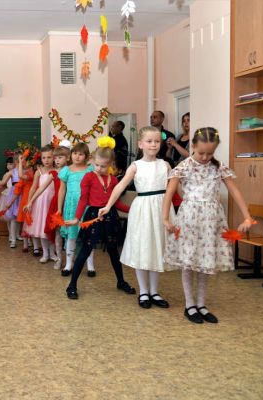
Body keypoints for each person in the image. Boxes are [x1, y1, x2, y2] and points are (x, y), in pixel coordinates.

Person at [163, 127, 254, 324]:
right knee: (189, 262)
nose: (205, 157)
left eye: (210, 153)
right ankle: (190, 305)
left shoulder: (218, 167)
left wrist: (247, 217)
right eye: (201, 153)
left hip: (212, 221)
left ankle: (201, 304)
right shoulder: (183, 166)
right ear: (193, 146)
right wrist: (165, 219)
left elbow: (235, 192)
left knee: (206, 262)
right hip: (189, 220)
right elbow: (169, 192)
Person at [99, 127, 176, 309]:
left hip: (162, 208)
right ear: (140, 144)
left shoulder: (165, 165)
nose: (153, 145)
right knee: (144, 248)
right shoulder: (135, 166)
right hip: (143, 210)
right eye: (149, 141)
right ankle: (143, 291)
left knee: (157, 249)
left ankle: (154, 292)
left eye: (157, 141)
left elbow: (176, 188)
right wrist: (108, 205)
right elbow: (119, 187)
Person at [64, 137, 135, 300]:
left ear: (110, 164)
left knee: (113, 251)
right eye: (96, 165)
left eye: (103, 166)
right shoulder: (88, 177)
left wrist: (133, 210)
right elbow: (83, 199)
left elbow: (115, 202)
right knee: (85, 250)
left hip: (110, 217)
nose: (99, 168)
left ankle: (121, 281)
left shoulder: (114, 179)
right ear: (93, 161)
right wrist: (76, 218)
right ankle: (72, 285)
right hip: (93, 217)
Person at [57, 142, 95, 276]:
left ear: (86, 157)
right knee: (71, 236)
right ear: (70, 155)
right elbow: (62, 190)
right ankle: (69, 264)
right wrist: (59, 208)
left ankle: (90, 265)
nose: (77, 157)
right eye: (75, 153)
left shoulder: (90, 170)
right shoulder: (66, 170)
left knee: (88, 236)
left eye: (81, 154)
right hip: (71, 207)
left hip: (87, 207)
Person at [23, 146, 57, 264]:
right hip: (41, 203)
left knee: (51, 229)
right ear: (41, 159)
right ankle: (46, 253)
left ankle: (52, 253)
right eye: (44, 158)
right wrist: (29, 202)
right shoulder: (39, 172)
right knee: (42, 228)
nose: (46, 160)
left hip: (52, 202)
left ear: (54, 157)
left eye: (49, 157)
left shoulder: (57, 171)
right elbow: (33, 188)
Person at [0, 154, 20, 248]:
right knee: (10, 217)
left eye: (10, 164)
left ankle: (17, 235)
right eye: (7, 164)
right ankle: (12, 236)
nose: (8, 166)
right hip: (8, 195)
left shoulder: (20, 172)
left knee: (18, 217)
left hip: (18, 195)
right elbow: (2, 184)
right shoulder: (8, 174)